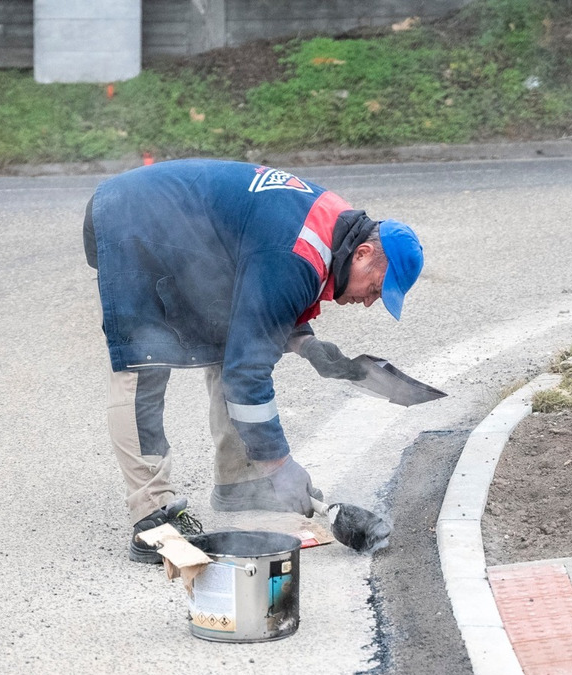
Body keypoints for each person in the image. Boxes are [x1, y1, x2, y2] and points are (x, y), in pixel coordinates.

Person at [82, 159, 424, 563]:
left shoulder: (334, 226)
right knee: (145, 360)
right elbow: (247, 373)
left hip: (187, 234)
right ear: (363, 253)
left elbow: (262, 297)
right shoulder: (298, 253)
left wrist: (304, 342)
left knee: (231, 342)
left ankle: (240, 482)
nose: (369, 301)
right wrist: (280, 465)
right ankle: (151, 512)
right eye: (377, 288)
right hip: (133, 223)